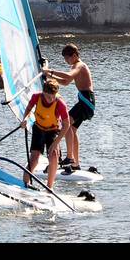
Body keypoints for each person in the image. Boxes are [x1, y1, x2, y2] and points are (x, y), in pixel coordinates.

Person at [44, 43, 94, 171]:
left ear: (75, 55)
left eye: (68, 58)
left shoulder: (79, 65)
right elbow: (65, 82)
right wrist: (50, 77)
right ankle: (75, 164)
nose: (66, 61)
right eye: (65, 59)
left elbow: (68, 76)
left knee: (66, 124)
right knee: (72, 129)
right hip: (85, 101)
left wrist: (50, 71)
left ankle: (70, 157)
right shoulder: (75, 66)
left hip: (86, 101)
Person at [22, 80, 70, 190]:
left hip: (52, 131)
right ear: (43, 92)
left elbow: (66, 125)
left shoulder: (60, 103)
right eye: (48, 97)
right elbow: (29, 109)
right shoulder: (36, 97)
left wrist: (56, 143)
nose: (51, 99)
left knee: (53, 156)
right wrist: (25, 119)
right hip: (38, 128)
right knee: (34, 157)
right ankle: (25, 183)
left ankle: (49, 187)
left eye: (53, 97)